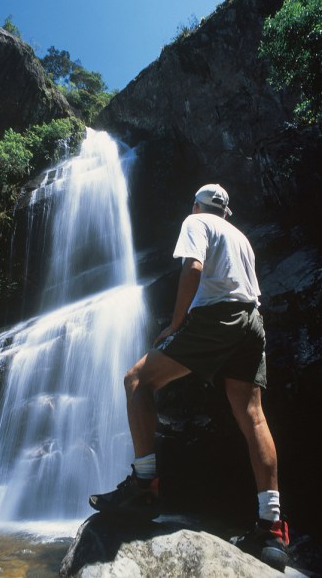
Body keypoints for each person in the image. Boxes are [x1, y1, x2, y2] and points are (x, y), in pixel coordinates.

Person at [89, 184, 289, 572]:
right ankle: (272, 526)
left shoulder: (195, 220)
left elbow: (193, 267)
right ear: (226, 212)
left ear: (197, 205)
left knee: (137, 381)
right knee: (254, 417)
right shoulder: (241, 237)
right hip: (252, 322)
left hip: (216, 318)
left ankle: (144, 487)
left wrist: (176, 324)